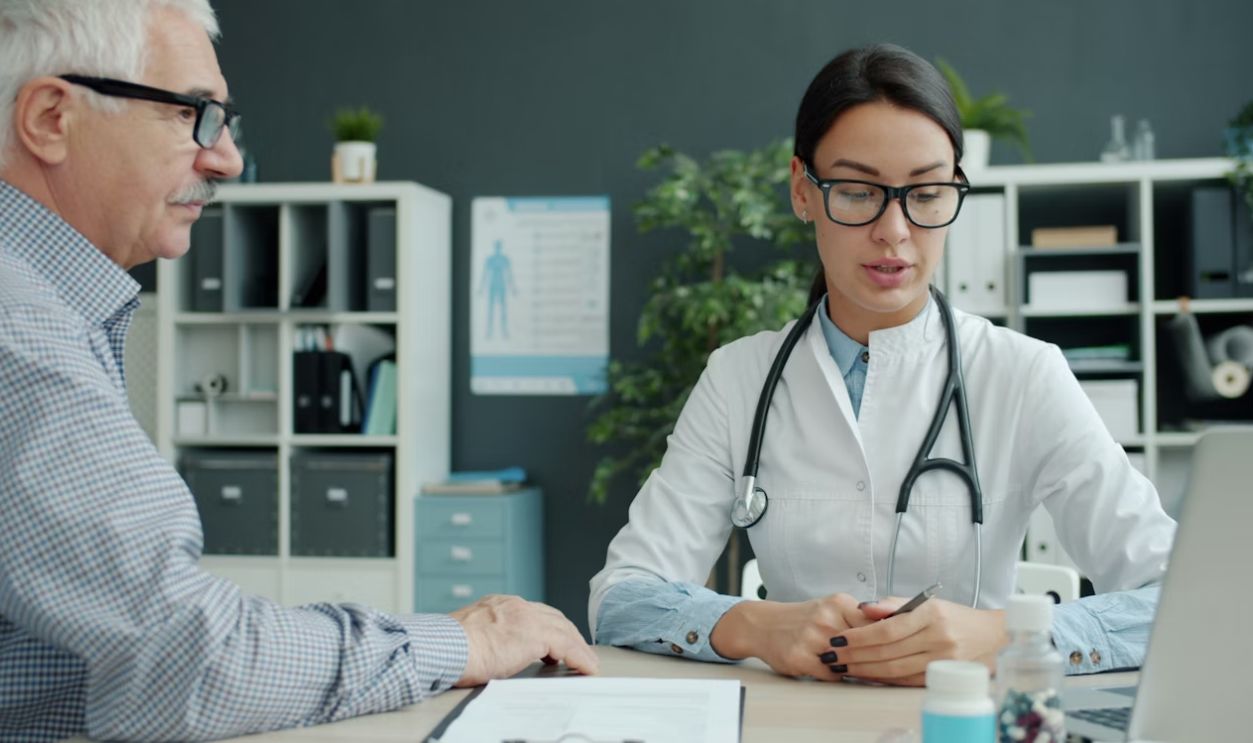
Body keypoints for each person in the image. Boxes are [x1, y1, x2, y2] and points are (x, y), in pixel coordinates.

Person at [0, 2, 595, 741]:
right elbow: (190, 661)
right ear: (51, 117)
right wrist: (465, 643)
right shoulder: (18, 329)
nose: (226, 160)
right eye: (196, 115)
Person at [589, 43, 1175, 687]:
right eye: (859, 190)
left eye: (925, 193)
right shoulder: (737, 380)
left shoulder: (1025, 374)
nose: (894, 230)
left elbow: (1179, 594)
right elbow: (621, 597)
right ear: (802, 192)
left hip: (967, 718)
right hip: (797, 726)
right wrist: (754, 624)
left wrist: (1005, 634)